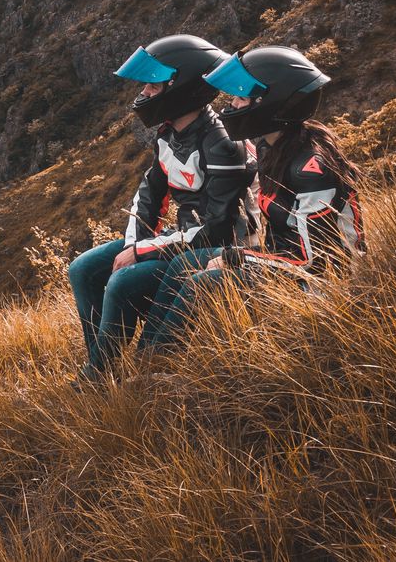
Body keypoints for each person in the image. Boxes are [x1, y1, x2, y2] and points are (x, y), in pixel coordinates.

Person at [139, 45, 365, 351]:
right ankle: (150, 355)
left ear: (273, 104)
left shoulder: (312, 169)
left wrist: (237, 257)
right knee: (188, 265)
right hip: (287, 265)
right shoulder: (273, 149)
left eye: (241, 97)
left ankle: (161, 361)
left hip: (325, 285)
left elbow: (316, 261)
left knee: (202, 280)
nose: (231, 105)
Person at [68, 34, 257, 381]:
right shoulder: (169, 133)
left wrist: (141, 252)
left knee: (123, 280)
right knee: (82, 268)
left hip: (213, 246)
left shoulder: (222, 145)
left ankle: (99, 376)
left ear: (182, 86)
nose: (144, 94)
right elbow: (149, 194)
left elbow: (219, 227)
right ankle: (104, 365)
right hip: (178, 238)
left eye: (153, 87)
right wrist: (132, 244)